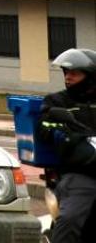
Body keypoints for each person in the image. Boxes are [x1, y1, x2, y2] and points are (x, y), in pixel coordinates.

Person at [39, 49, 96, 243]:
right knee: (71, 218)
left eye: (74, 73)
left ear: (90, 77)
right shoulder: (57, 101)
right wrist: (74, 136)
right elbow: (44, 127)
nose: (68, 77)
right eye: (66, 72)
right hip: (81, 173)